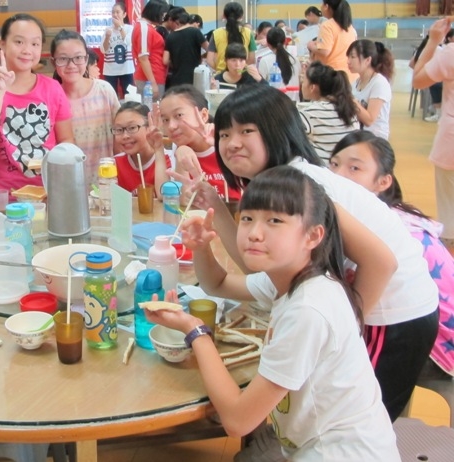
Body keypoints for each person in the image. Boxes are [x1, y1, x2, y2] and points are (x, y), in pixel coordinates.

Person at [184, 84, 438, 422]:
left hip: (391, 313)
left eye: (246, 130)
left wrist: (345, 328)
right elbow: (253, 266)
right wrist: (214, 204)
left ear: (277, 130)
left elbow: (381, 261)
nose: (231, 143)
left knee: (356, 420)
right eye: (225, 133)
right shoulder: (281, 183)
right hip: (373, 302)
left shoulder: (304, 186)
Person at [146, 166, 399, 460]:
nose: (254, 233)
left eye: (275, 221)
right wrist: (202, 248)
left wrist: (196, 333)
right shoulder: (294, 277)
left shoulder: (308, 310)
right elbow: (218, 284)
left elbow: (237, 421)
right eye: (247, 218)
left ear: (313, 236)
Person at [330, 131, 454, 377]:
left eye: (354, 168)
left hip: (435, 344)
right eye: (334, 164)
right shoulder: (386, 213)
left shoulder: (385, 230)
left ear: (383, 182)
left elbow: (356, 312)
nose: (338, 175)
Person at [0, 14, 74, 193]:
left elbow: (66, 140)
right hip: (8, 195)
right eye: (19, 42)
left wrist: (60, 180)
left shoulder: (53, 88)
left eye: (35, 44)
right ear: (3, 44)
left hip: (49, 191)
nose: (27, 50)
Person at [51, 31, 119, 187]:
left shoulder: (104, 90)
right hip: (69, 185)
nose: (71, 65)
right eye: (63, 59)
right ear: (53, 62)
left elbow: (118, 136)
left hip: (106, 182)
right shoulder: (52, 98)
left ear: (86, 59)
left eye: (78, 57)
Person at [158, 84, 241, 202]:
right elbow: (184, 202)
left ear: (203, 115)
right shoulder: (178, 152)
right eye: (165, 120)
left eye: (179, 115)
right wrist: (180, 151)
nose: (171, 126)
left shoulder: (229, 145)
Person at [413, 16, 454, 251]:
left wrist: (433, 40)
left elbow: (418, 80)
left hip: (451, 142)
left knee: (450, 214)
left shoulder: (451, 53)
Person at [299, 61, 359, 162]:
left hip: (323, 168)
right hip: (346, 166)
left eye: (303, 81)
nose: (301, 84)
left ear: (312, 87)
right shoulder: (349, 109)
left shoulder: (309, 113)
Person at [111, 102, 169, 195]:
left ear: (149, 127)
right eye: (119, 130)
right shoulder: (114, 164)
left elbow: (167, 197)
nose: (125, 136)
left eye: (132, 128)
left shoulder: (168, 161)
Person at [347, 39, 394, 139]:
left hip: (375, 140)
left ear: (368, 60)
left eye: (353, 57)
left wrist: (350, 100)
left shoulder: (379, 83)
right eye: (348, 57)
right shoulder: (356, 83)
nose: (348, 61)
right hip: (359, 136)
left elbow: (369, 120)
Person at [306, 0, 357, 81]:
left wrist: (311, 45)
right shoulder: (349, 26)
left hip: (332, 75)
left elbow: (324, 50)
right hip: (349, 75)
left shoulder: (327, 25)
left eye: (322, 4)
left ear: (326, 6)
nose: (321, 7)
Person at [131, 0, 170, 101]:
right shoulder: (144, 28)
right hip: (149, 79)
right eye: (163, 14)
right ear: (156, 12)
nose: (163, 18)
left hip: (152, 77)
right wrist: (152, 83)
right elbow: (143, 58)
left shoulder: (145, 27)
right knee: (151, 108)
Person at [206, 2, 257, 73]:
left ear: (224, 16)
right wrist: (241, 68)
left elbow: (209, 60)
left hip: (221, 75)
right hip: (242, 74)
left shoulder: (216, 33)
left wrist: (219, 69)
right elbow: (251, 59)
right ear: (241, 16)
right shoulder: (248, 33)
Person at [163, 11, 208, 88]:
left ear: (177, 22)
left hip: (176, 77)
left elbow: (165, 60)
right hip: (194, 76)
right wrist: (202, 57)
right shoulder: (195, 32)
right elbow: (208, 48)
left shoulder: (170, 36)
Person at [102, 2, 135, 98]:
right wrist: (107, 37)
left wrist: (120, 27)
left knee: (129, 96)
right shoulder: (108, 30)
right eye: (113, 12)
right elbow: (103, 50)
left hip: (127, 68)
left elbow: (128, 42)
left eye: (117, 12)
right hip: (110, 70)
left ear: (124, 14)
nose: (115, 14)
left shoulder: (130, 29)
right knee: (111, 97)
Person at [257, 27, 299, 97]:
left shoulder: (264, 60)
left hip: (274, 102)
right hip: (294, 101)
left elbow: (261, 85)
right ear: (285, 41)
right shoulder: (295, 60)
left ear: (268, 44)